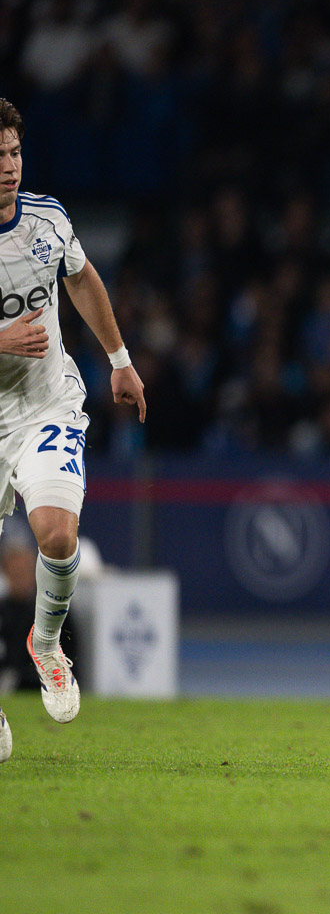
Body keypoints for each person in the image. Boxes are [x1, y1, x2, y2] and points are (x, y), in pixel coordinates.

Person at [0, 98, 147, 763]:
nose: (9, 167)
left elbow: (83, 279)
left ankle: (46, 642)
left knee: (58, 535)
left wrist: (120, 360)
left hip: (46, 407)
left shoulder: (47, 220)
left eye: (14, 153)